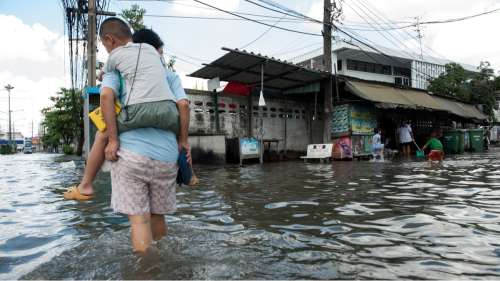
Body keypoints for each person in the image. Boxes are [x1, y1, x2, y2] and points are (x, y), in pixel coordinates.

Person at [63, 26, 196, 201]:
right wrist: (184, 139)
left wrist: (113, 139)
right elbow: (184, 105)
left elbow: (106, 95)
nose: (160, 57)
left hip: (132, 133)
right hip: (166, 144)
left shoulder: (120, 69)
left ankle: (86, 184)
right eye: (159, 52)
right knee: (180, 143)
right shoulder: (169, 75)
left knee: (102, 134)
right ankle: (189, 176)